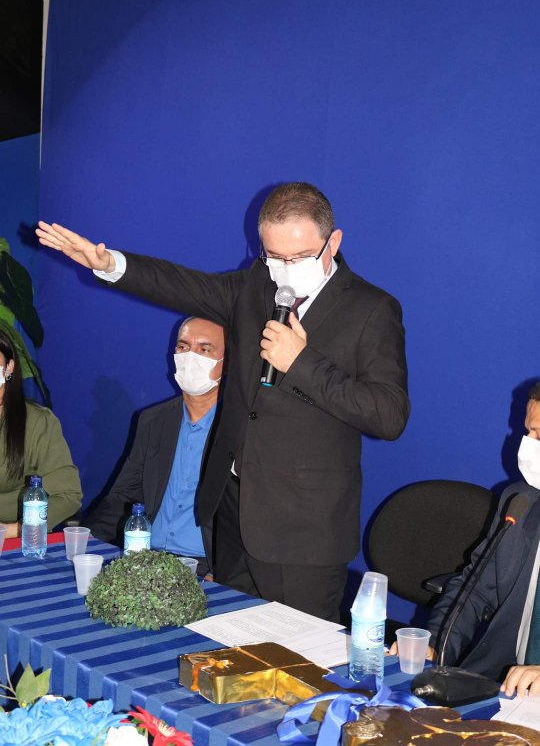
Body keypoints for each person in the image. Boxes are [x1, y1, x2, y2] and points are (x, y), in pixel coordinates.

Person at [36, 181, 409, 620]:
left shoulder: (371, 309)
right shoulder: (256, 285)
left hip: (302, 530)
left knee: (292, 656)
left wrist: (302, 363)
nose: (285, 271)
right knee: (227, 646)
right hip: (231, 510)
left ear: (334, 241)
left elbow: (389, 415)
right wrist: (110, 264)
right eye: (274, 256)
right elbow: (183, 285)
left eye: (300, 258)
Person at [390, 382, 540, 697]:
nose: (528, 444)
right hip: (499, 681)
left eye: (539, 435)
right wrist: (434, 644)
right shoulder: (521, 501)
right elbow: (474, 588)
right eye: (528, 431)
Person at [86, 316, 225, 576]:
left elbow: (254, 517)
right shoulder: (154, 421)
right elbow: (122, 496)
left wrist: (228, 573)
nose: (190, 357)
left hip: (207, 567)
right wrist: (84, 543)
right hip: (145, 559)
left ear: (227, 363)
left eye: (205, 349)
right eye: (183, 347)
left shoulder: (241, 428)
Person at [0, 328, 82, 537]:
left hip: (17, 538)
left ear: (9, 368)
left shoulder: (38, 422)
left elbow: (68, 495)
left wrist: (16, 529)